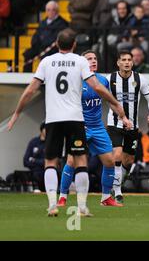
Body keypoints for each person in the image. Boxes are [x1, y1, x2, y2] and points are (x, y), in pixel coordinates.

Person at [7, 29, 130, 217]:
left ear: (56, 44)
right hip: (76, 119)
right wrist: (118, 106)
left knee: (51, 162)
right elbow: (97, 87)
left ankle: (53, 205)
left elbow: (31, 89)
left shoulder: (47, 62)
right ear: (74, 45)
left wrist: (16, 112)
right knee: (79, 161)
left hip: (55, 119)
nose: (93, 61)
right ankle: (78, 205)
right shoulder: (80, 63)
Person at [57, 50, 123, 208]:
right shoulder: (75, 82)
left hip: (98, 127)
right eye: (89, 59)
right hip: (80, 127)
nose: (93, 61)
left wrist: (123, 117)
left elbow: (110, 102)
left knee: (110, 161)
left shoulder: (102, 81)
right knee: (72, 161)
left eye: (94, 58)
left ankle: (106, 197)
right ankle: (62, 196)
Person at [107, 50, 149, 204]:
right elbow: (103, 97)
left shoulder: (139, 79)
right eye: (124, 60)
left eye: (129, 59)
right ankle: (117, 191)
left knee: (128, 161)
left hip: (133, 126)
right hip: (114, 123)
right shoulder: (110, 79)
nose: (127, 62)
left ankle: (117, 184)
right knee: (117, 155)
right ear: (118, 63)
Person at [22, 1, 68, 72]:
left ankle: (45, 78)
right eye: (48, 10)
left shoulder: (62, 23)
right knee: (28, 54)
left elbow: (55, 39)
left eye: (53, 10)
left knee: (46, 56)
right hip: (40, 47)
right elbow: (35, 36)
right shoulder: (43, 23)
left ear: (57, 11)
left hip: (52, 49)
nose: (50, 12)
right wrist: (36, 44)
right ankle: (26, 78)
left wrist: (43, 42)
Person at [23, 122, 46, 192]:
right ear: (42, 130)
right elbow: (25, 161)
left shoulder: (51, 143)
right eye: (46, 129)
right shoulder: (33, 142)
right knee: (36, 174)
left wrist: (34, 160)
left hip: (46, 171)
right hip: (35, 172)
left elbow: (48, 162)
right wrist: (40, 163)